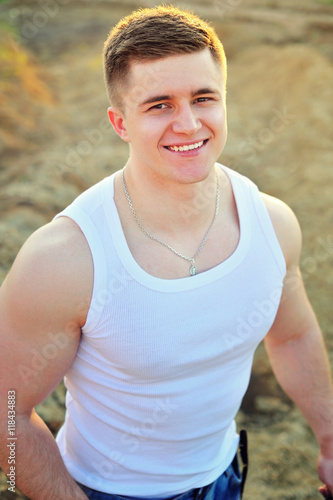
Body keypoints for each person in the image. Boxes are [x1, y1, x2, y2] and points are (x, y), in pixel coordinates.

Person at [0, 5, 332, 500]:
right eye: (159, 105)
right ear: (119, 123)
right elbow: (6, 417)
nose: (189, 123)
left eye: (204, 98)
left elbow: (294, 336)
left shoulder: (272, 223)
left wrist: (329, 441)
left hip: (225, 477)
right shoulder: (65, 259)